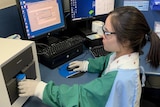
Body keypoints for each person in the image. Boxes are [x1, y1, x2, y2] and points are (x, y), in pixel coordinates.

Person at [18, 6, 160, 107]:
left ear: (125, 40)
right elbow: (108, 60)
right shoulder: (127, 55)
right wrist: (87, 65)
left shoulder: (116, 79)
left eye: (107, 32)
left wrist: (40, 89)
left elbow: (80, 97)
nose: (102, 35)